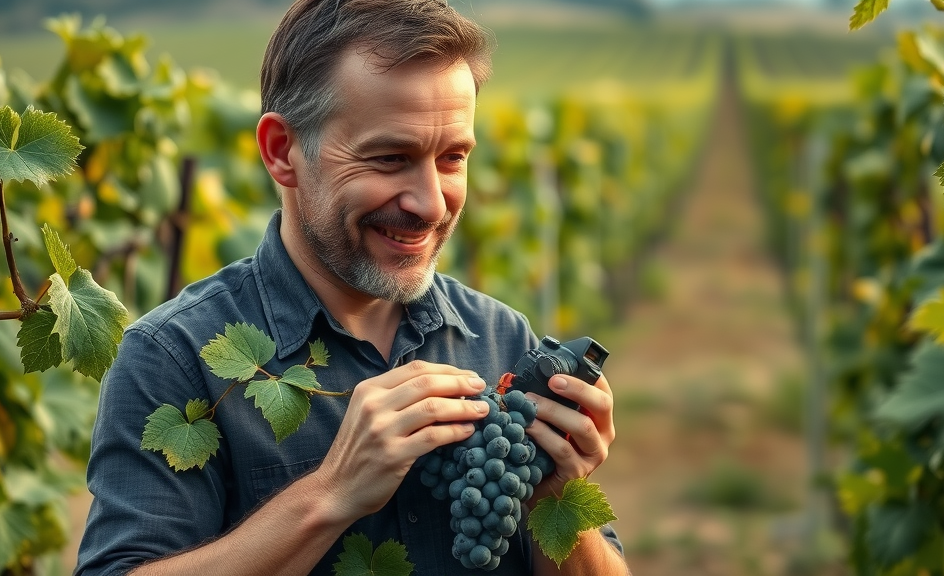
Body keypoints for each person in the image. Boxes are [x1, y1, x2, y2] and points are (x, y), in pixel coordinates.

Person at [74, 1, 629, 574]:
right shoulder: (172, 357)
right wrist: (331, 494)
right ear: (282, 151)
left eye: (452, 158)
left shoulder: (502, 336)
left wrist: (553, 492)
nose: (432, 204)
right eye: (390, 158)